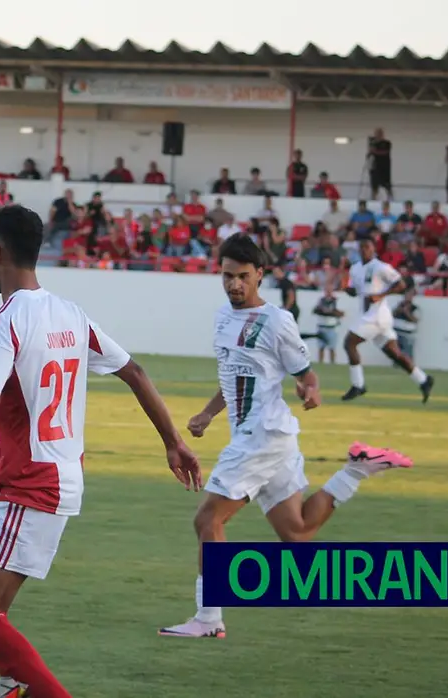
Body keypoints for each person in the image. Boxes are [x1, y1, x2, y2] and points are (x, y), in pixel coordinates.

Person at [0, 204, 202, 696]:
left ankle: (29, 684)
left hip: (33, 484)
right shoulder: (70, 313)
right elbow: (136, 372)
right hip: (26, 480)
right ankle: (14, 678)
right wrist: (173, 443)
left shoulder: (6, 320)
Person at [159, 234, 413, 640]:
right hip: (270, 437)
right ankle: (357, 470)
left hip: (260, 435)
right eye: (227, 276)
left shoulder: (276, 320)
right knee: (297, 534)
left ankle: (208, 619)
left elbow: (305, 371)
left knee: (208, 519)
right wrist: (207, 414)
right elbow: (234, 375)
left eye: (243, 276)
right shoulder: (223, 317)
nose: (234, 285)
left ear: (260, 274)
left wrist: (311, 389)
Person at [340, 238, 434, 403]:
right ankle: (423, 380)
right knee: (395, 354)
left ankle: (358, 385)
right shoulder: (355, 268)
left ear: (373, 249)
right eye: (361, 247)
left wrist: (381, 295)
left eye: (367, 247)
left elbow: (401, 284)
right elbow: (356, 291)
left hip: (376, 316)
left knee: (349, 343)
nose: (364, 250)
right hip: (370, 316)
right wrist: (346, 288)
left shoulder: (380, 267)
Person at [312, 286, 344, 364]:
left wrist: (330, 312)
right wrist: (322, 310)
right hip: (322, 326)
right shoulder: (320, 301)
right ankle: (321, 362)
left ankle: (332, 363)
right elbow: (314, 311)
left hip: (332, 327)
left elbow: (341, 313)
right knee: (321, 347)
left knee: (332, 347)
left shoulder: (336, 301)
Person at [391, 288, 420, 359]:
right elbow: (392, 315)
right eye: (407, 295)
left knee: (408, 353)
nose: (408, 297)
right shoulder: (399, 305)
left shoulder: (415, 308)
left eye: (410, 295)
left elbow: (416, 320)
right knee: (396, 352)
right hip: (397, 332)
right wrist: (399, 310)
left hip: (408, 334)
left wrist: (407, 313)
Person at [367, 128, 393, 201]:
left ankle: (391, 199)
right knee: (374, 186)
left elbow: (385, 152)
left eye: (379, 134)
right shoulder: (373, 143)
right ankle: (373, 199)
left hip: (384, 168)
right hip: (375, 168)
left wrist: (374, 152)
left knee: (387, 185)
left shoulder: (387, 143)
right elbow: (369, 155)